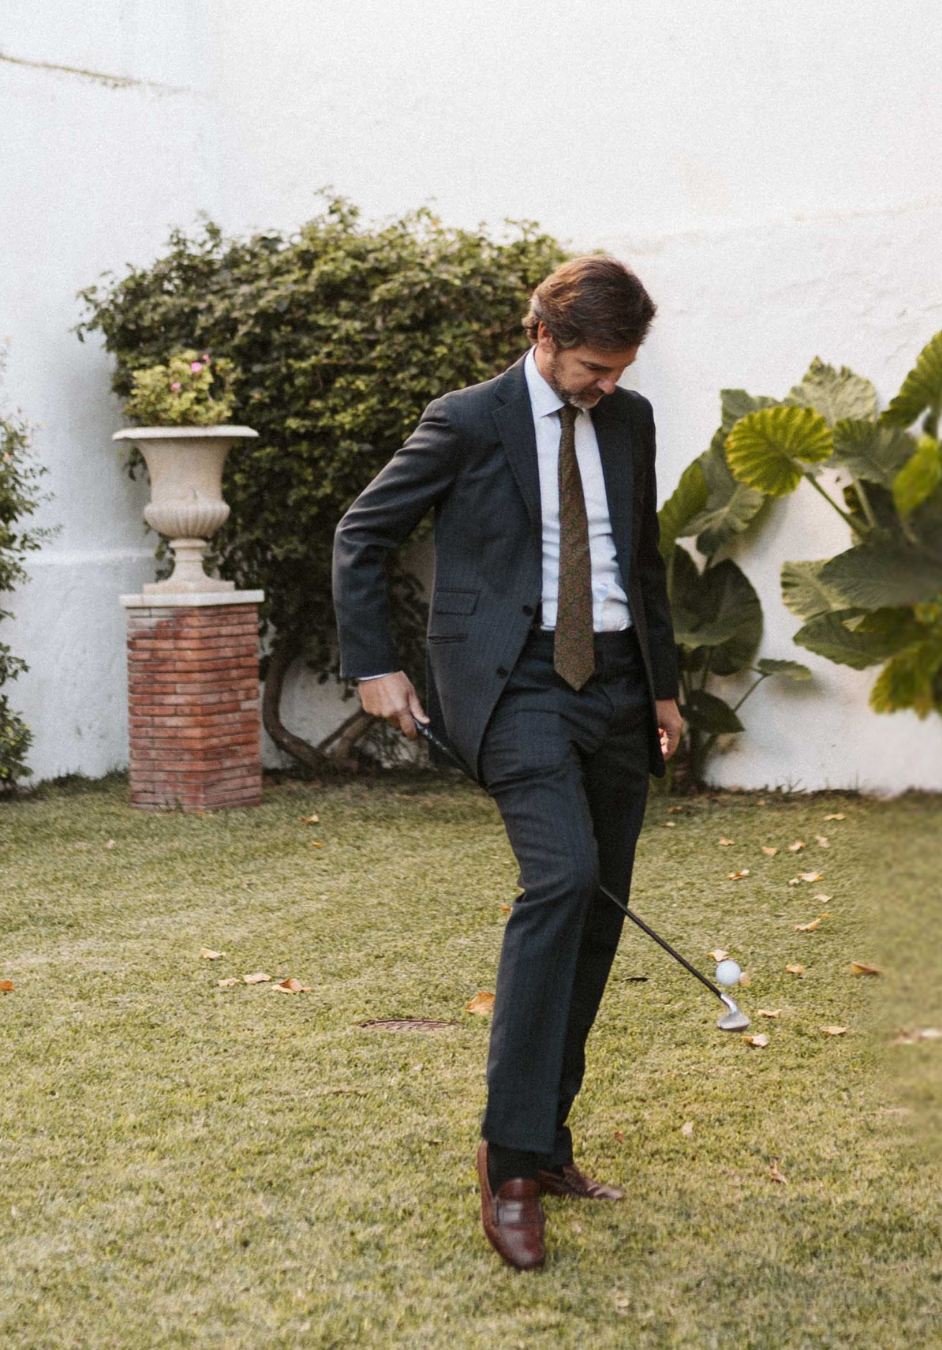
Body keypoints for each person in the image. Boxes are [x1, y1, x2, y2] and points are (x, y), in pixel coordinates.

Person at [332, 256, 681, 1271]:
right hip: (516, 681)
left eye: (619, 370)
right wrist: (374, 667)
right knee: (562, 877)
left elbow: (643, 559)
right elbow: (362, 534)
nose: (605, 385)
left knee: (600, 908)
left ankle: (549, 1136)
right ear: (544, 336)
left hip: (619, 685)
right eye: (594, 368)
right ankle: (510, 1162)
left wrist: (663, 688)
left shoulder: (630, 420)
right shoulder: (467, 420)